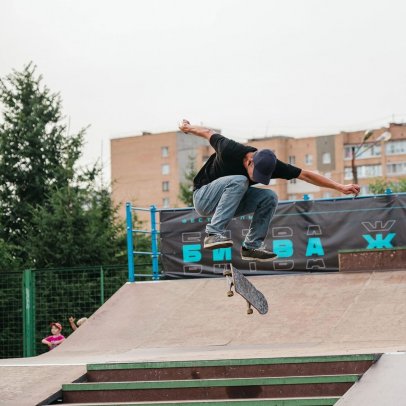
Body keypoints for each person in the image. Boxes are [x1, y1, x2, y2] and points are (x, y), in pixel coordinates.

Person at [178, 119, 360, 261]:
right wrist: (187, 127)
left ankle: (251, 247)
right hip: (204, 197)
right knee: (240, 180)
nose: (257, 180)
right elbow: (208, 132)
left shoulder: (273, 165)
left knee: (269, 197)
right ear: (250, 161)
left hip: (228, 203)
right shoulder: (229, 149)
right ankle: (213, 234)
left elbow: (305, 175)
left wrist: (339, 186)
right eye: (256, 175)